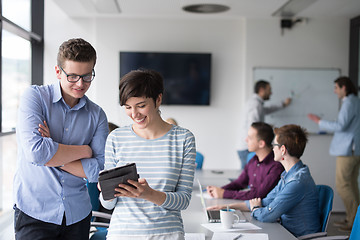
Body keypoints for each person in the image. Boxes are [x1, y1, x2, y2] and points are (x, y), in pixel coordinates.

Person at [13, 38, 109, 240]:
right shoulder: (35, 97)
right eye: (73, 76)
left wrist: (53, 152)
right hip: (34, 212)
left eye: (87, 76)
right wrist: (85, 151)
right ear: (58, 72)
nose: (80, 84)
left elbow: (99, 170)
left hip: (77, 215)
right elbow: (36, 153)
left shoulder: (97, 115)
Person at [99, 69, 196, 240]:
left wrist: (148, 194)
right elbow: (108, 204)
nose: (134, 114)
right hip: (122, 234)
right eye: (128, 107)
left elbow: (183, 200)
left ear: (158, 99)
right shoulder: (116, 138)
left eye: (141, 106)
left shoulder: (183, 139)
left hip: (167, 234)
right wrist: (106, 191)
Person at [209, 124, 321, 238]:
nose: (272, 148)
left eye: (274, 145)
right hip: (285, 232)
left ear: (282, 150)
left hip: (296, 237)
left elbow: (268, 215)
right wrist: (229, 207)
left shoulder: (296, 181)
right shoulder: (287, 175)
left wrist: (255, 208)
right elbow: (265, 201)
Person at [308, 76, 360, 232]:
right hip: (354, 149)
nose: (334, 91)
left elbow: (341, 125)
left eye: (336, 87)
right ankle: (354, 219)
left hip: (348, 150)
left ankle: (353, 221)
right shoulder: (355, 101)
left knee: (344, 185)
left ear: (344, 87)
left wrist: (319, 121)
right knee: (351, 185)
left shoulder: (350, 102)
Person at [206, 122, 284, 200]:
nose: (246, 140)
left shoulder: (276, 166)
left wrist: (224, 193)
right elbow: (239, 183)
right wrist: (219, 190)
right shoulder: (254, 160)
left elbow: (258, 195)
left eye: (250, 138)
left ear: (261, 144)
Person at [238, 80, 292, 169]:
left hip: (247, 146)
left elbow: (267, 110)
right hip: (247, 148)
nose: (271, 93)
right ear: (262, 90)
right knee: (248, 179)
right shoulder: (255, 104)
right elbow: (254, 127)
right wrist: (267, 128)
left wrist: (283, 104)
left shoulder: (257, 104)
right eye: (269, 89)